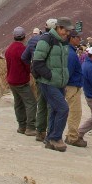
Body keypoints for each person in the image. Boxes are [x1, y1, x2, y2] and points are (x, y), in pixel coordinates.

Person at [30, 17, 73, 151]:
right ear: (59, 28)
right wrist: (50, 76)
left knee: (55, 109)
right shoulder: (46, 40)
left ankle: (50, 139)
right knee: (63, 108)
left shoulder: (62, 42)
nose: (67, 34)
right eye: (65, 31)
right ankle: (55, 138)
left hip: (59, 83)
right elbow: (37, 62)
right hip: (48, 82)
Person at [5, 26, 37, 135]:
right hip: (21, 81)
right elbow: (26, 64)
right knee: (31, 102)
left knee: (18, 103)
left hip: (11, 80)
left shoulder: (9, 49)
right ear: (24, 36)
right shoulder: (22, 49)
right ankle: (30, 127)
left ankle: (21, 126)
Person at [63, 31, 86, 147]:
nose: (79, 39)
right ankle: (72, 137)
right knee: (75, 112)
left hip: (71, 85)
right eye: (78, 37)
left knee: (73, 111)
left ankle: (71, 135)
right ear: (72, 38)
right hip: (72, 86)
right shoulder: (71, 54)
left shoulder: (68, 50)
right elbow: (68, 72)